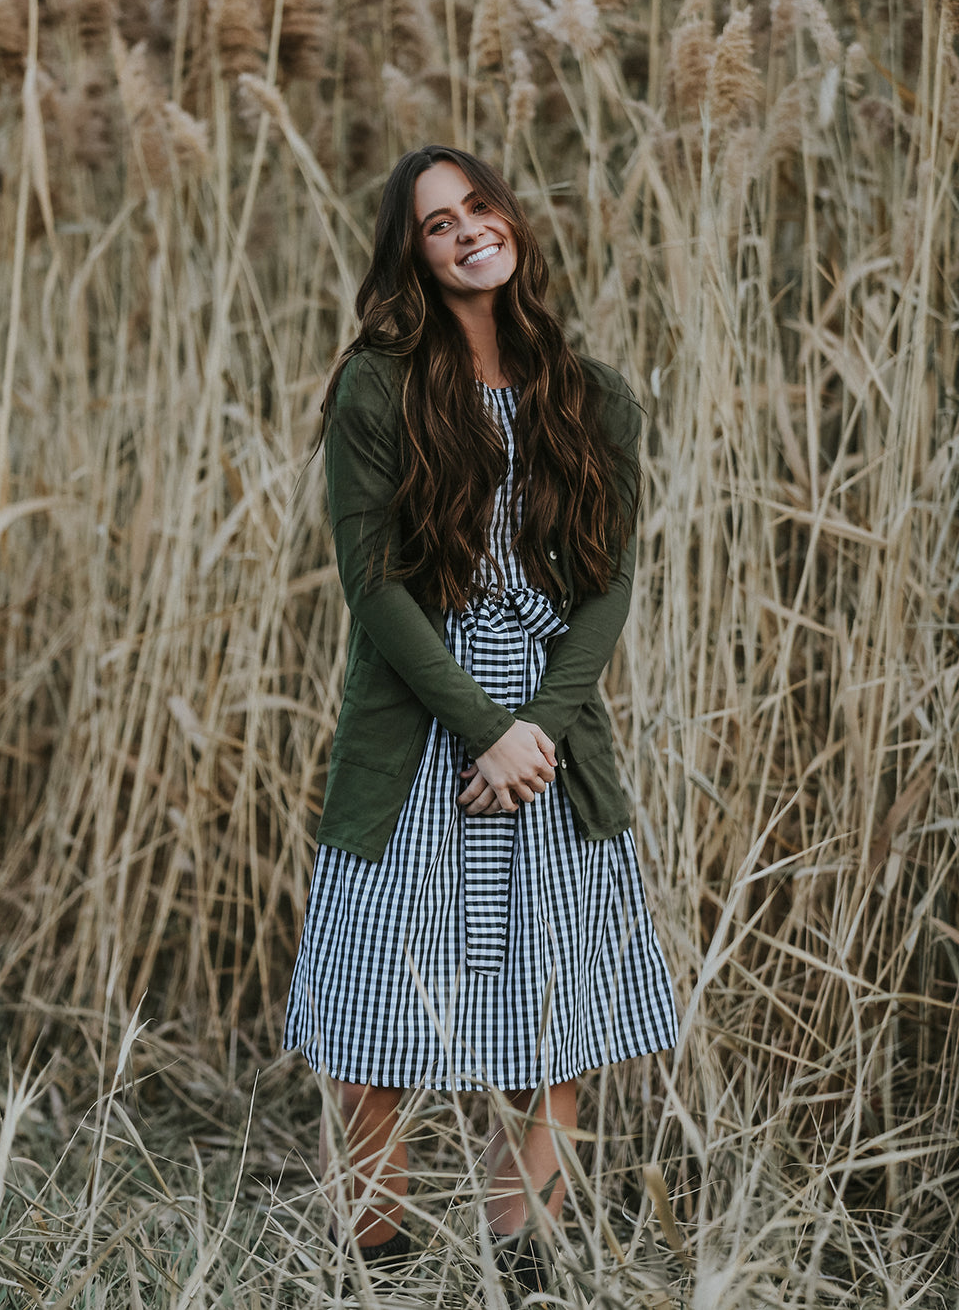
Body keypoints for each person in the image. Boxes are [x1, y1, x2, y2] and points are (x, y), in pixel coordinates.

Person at [282, 144, 678, 1298]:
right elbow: (374, 589)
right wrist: (481, 728)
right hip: (418, 732)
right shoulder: (378, 387)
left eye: (480, 207)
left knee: (549, 1030)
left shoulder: (591, 393)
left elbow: (608, 585)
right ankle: (378, 1267)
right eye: (437, 223)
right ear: (412, 253)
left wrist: (538, 730)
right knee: (372, 1030)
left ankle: (529, 1273)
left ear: (510, 220)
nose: (465, 232)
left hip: (553, 737)